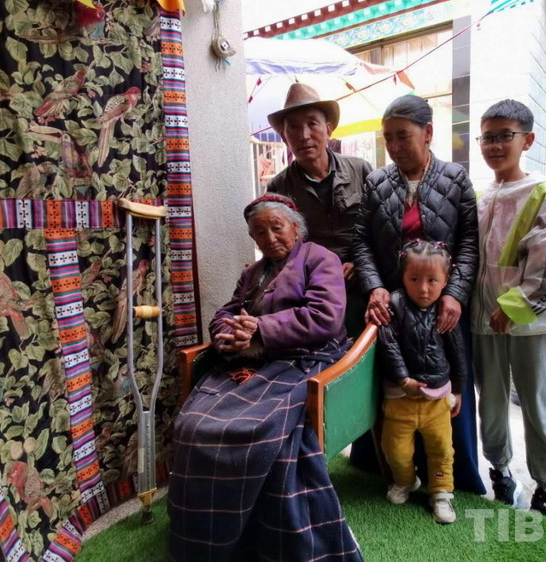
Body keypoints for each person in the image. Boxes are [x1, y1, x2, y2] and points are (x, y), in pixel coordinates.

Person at [169, 193, 362, 562]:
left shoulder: (321, 259)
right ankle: (210, 535)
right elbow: (226, 312)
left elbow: (325, 317)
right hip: (251, 360)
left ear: (296, 228)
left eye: (277, 227)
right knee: (193, 425)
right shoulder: (253, 273)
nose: (270, 237)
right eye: (260, 232)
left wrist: (260, 328)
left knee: (258, 430)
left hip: (305, 360)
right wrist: (229, 334)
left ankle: (264, 533)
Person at [351, 94, 486, 496]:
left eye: (403, 136)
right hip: (393, 307)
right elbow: (361, 243)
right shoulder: (376, 182)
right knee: (393, 385)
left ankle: (450, 478)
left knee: (446, 381)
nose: (394, 146)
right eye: (388, 137)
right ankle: (389, 469)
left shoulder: (455, 178)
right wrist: (375, 287)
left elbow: (469, 243)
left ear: (427, 133)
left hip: (441, 304)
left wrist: (455, 293)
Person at [471, 99, 546, 517]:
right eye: (487, 137)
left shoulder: (543, 191)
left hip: (531, 324)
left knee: (538, 404)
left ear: (527, 140)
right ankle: (500, 470)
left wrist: (513, 308)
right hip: (483, 320)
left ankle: (545, 484)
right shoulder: (481, 195)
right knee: (490, 404)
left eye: (504, 136)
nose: (494, 145)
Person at [378, 240, 465, 524]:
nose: (423, 288)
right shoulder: (394, 304)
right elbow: (388, 344)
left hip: (437, 399)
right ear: (403, 276)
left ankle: (441, 493)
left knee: (442, 449)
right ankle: (406, 481)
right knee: (395, 450)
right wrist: (403, 379)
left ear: (445, 281)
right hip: (399, 399)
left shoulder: (446, 310)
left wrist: (459, 390)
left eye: (432, 280)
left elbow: (458, 353)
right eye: (414, 279)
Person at [266, 82, 372, 291]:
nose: (304, 135)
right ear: (284, 137)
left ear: (328, 130)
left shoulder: (360, 170)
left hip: (363, 278)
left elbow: (378, 228)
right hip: (312, 285)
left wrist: (359, 262)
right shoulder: (278, 187)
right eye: (293, 127)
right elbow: (280, 247)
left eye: (312, 123)